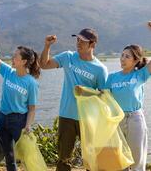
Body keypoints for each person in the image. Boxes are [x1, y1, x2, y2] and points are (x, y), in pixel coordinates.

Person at [40, 28, 108, 171]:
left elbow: (104, 97)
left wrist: (87, 93)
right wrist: (47, 46)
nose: (78, 43)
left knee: (91, 158)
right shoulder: (68, 57)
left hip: (88, 119)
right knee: (64, 159)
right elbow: (43, 65)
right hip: (67, 116)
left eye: (82, 41)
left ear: (92, 45)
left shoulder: (100, 69)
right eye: (77, 39)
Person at [0, 23, 40, 171]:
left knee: (26, 156)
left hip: (19, 121)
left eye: (15, 56)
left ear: (23, 61)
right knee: (8, 156)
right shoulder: (8, 72)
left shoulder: (31, 83)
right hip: (3, 118)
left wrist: (28, 125)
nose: (12, 57)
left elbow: (32, 108)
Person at [105, 43, 150, 170]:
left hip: (135, 119)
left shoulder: (140, 74)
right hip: (117, 120)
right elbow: (101, 96)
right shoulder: (112, 77)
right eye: (122, 55)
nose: (122, 59)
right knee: (120, 160)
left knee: (137, 159)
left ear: (136, 60)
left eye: (127, 56)